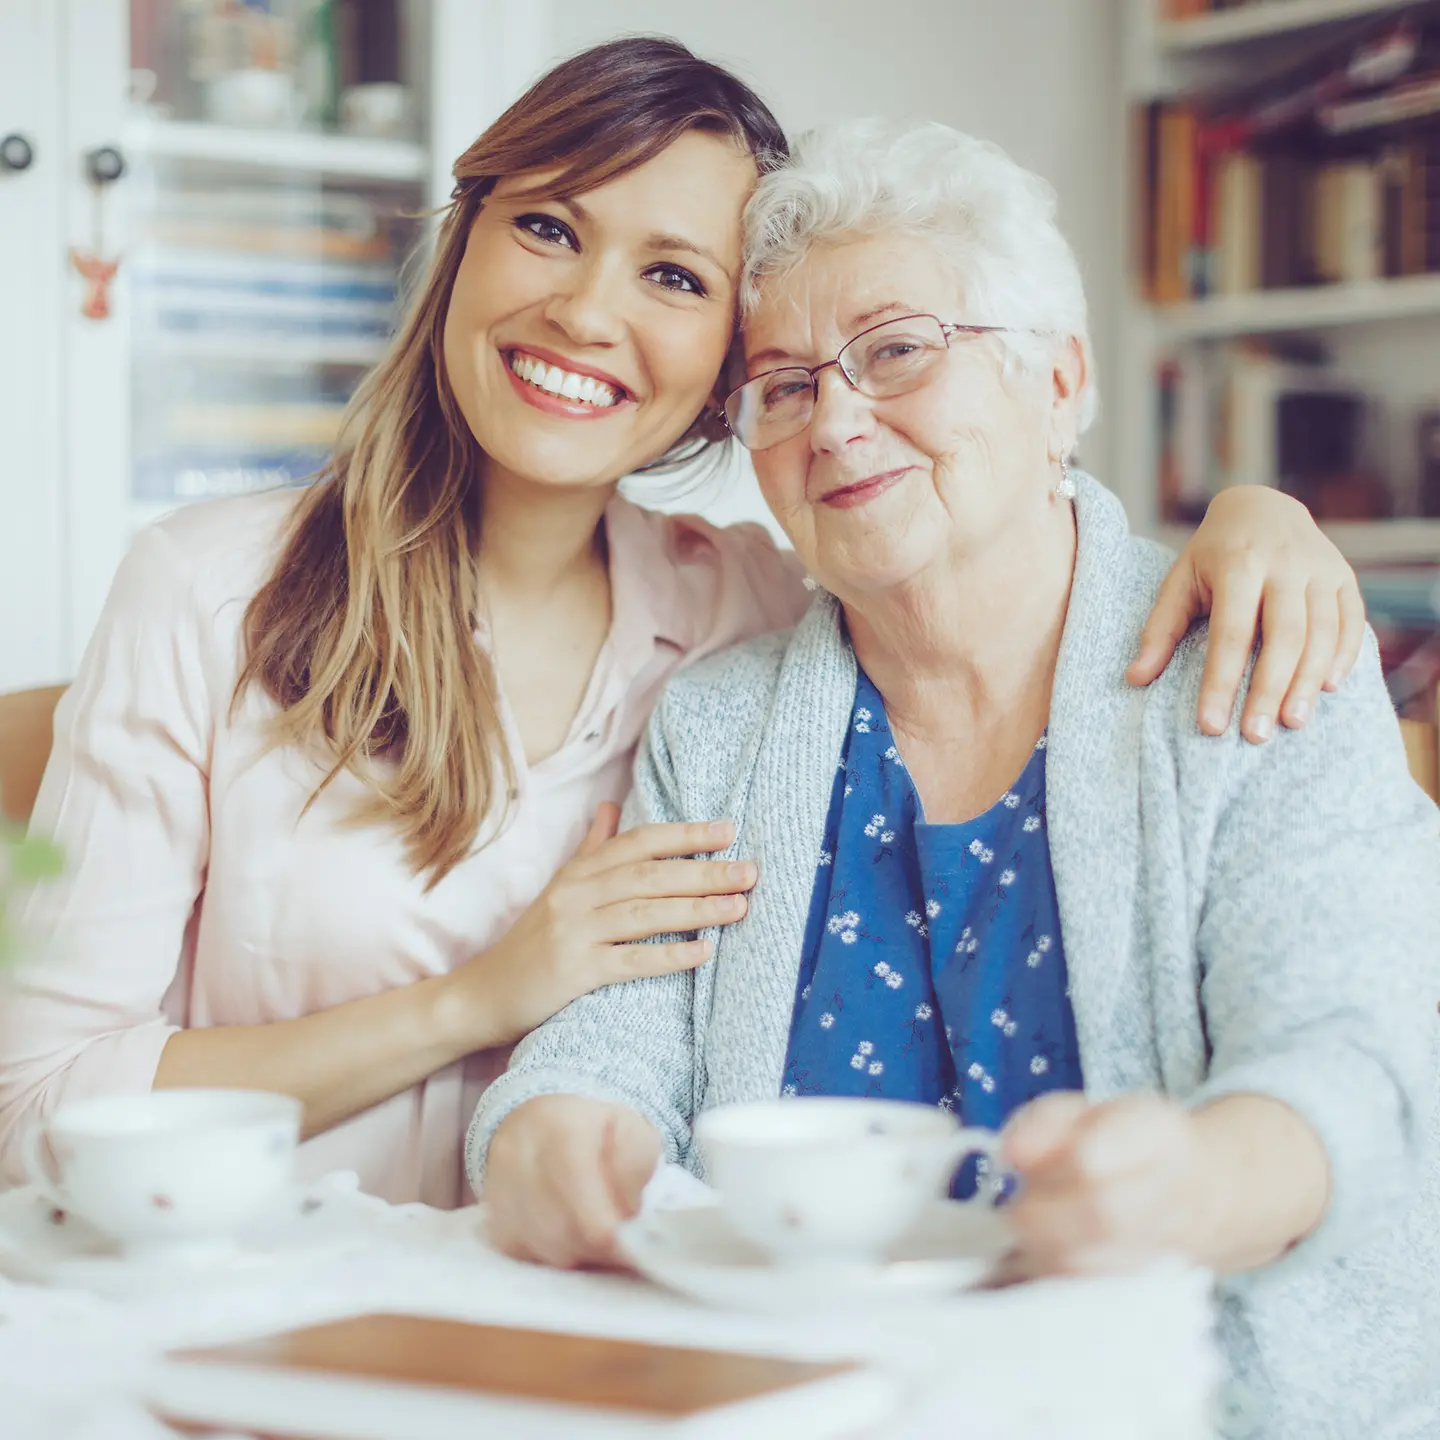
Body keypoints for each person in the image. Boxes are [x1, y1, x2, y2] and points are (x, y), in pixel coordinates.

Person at [1, 41, 1366, 1211]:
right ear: (462, 239)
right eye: (547, 226)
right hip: (253, 1299)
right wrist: (477, 999)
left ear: (725, 375)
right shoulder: (203, 590)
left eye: (674, 277)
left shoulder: (758, 617)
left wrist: (1259, 516)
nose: (586, 311)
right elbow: (34, 1103)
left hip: (574, 1330)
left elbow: (978, 534)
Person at [469, 119, 1440, 1438]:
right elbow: (617, 1042)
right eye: (788, 384)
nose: (839, 421)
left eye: (899, 350)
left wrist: (1195, 1184)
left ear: (1059, 382)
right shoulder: (719, 720)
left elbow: (1361, 1067)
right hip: (802, 1405)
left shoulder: (1263, 656)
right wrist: (544, 1132)